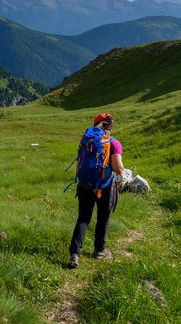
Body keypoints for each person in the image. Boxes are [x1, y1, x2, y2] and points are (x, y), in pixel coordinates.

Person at [67, 113, 124, 269]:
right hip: (105, 186)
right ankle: (99, 251)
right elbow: (118, 167)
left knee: (83, 218)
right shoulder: (113, 143)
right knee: (103, 217)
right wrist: (120, 175)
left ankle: (74, 254)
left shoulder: (86, 139)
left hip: (84, 185)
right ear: (109, 127)